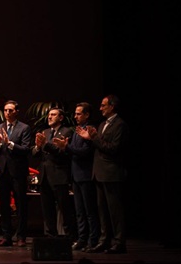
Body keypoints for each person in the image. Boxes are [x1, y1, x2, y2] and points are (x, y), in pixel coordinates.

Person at [76, 94, 128, 254]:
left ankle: (119, 242)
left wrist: (94, 138)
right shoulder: (102, 124)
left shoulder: (120, 124)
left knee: (114, 211)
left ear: (112, 106)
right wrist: (91, 138)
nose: (100, 108)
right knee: (102, 210)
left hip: (111, 172)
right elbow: (98, 145)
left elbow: (113, 148)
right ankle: (104, 240)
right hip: (98, 172)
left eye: (103, 105)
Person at [54, 102, 100, 252]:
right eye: (75, 113)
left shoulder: (90, 130)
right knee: (79, 211)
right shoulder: (77, 130)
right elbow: (73, 151)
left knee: (89, 211)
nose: (75, 116)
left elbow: (85, 152)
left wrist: (67, 147)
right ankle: (82, 239)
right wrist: (64, 147)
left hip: (86, 175)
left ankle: (93, 240)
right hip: (76, 175)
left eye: (79, 113)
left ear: (87, 115)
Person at [0, 100, 32, 247]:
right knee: (4, 206)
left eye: (10, 110)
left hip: (18, 172)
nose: (7, 113)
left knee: (21, 205)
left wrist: (9, 143)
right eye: (5, 110)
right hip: (3, 172)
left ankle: (21, 236)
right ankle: (6, 236)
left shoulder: (24, 128)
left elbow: (26, 149)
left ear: (16, 112)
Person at [32, 107, 77, 240]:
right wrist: (37, 147)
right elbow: (36, 154)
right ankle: (50, 236)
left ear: (61, 118)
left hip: (59, 175)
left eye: (53, 115)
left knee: (65, 209)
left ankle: (70, 237)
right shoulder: (45, 132)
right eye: (49, 115)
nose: (49, 117)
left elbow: (61, 152)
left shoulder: (67, 131)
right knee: (47, 209)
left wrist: (45, 144)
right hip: (44, 176)